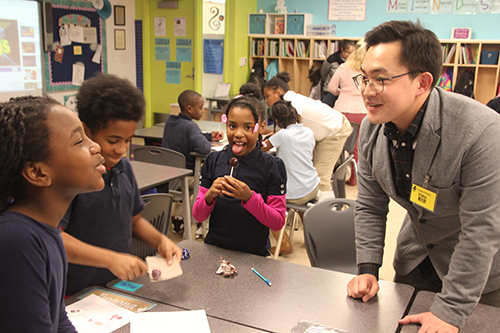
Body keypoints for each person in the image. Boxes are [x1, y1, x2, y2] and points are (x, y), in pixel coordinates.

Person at [346, 20, 500, 333]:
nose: (367, 91)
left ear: (422, 82)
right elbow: (370, 205)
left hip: (482, 276)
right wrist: (368, 268)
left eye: (380, 80)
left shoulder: (481, 132)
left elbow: (481, 231)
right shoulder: (372, 129)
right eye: (364, 78)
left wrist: (451, 310)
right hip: (417, 259)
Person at [59, 74, 182, 295]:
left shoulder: (123, 168)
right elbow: (54, 238)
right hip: (73, 291)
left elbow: (133, 220)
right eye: (113, 141)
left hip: (115, 286)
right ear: (86, 132)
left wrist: (160, 240)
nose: (121, 149)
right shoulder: (72, 178)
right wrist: (110, 259)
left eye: (127, 140)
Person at [0, 96, 106, 332]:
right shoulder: (17, 239)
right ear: (38, 172)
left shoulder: (47, 232)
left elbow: (58, 320)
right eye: (79, 140)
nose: (95, 146)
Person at [192, 94, 287, 256]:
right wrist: (209, 196)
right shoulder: (213, 161)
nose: (238, 134)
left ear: (261, 126)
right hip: (215, 248)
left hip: (253, 253)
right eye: (232, 126)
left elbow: (277, 222)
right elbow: (198, 215)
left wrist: (250, 198)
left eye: (248, 127)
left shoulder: (272, 166)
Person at [264, 71, 352, 202]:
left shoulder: (292, 105)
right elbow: (291, 131)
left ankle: (326, 216)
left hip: (334, 131)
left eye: (267, 96)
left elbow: (287, 133)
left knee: (321, 176)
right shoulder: (290, 101)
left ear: (277, 93)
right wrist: (269, 133)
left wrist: (268, 137)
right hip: (329, 127)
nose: (266, 101)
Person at [162, 90, 223, 236]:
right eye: (201, 107)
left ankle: (178, 217)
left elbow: (187, 136)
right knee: (210, 183)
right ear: (190, 109)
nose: (203, 111)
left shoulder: (170, 121)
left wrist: (208, 136)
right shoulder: (191, 127)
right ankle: (199, 224)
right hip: (185, 176)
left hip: (167, 175)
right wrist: (206, 140)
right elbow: (204, 148)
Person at [262, 100, 319, 255]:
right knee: (301, 203)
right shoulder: (309, 132)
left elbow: (262, 148)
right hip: (312, 187)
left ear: (278, 121)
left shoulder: (282, 135)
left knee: (267, 204)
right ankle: (312, 239)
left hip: (293, 193)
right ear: (296, 116)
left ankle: (284, 243)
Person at [328, 39, 368, 185]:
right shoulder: (367, 70)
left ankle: (336, 175)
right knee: (357, 147)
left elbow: (331, 88)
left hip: (341, 112)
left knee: (338, 144)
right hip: (362, 112)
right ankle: (353, 179)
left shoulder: (343, 67)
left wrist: (342, 92)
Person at [320, 39, 356, 107]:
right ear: (342, 50)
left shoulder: (353, 61)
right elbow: (323, 72)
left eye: (352, 53)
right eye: (348, 52)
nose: (350, 55)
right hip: (329, 90)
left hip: (343, 91)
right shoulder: (332, 59)